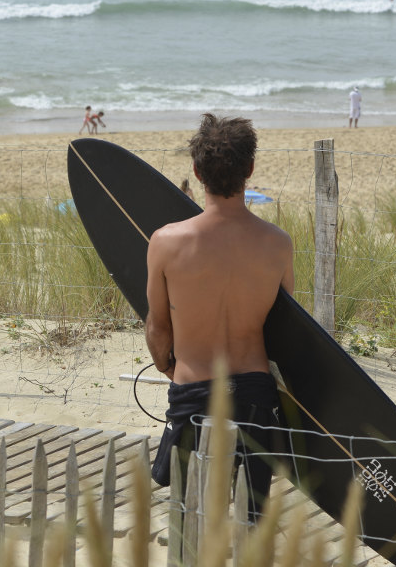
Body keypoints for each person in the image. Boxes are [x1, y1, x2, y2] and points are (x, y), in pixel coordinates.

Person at [146, 113, 293, 524]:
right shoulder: (278, 245)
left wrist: (170, 365)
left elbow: (158, 327)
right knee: (252, 517)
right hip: (254, 395)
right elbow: (282, 329)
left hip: (193, 390)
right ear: (250, 169)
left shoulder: (166, 242)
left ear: (196, 171)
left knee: (189, 513)